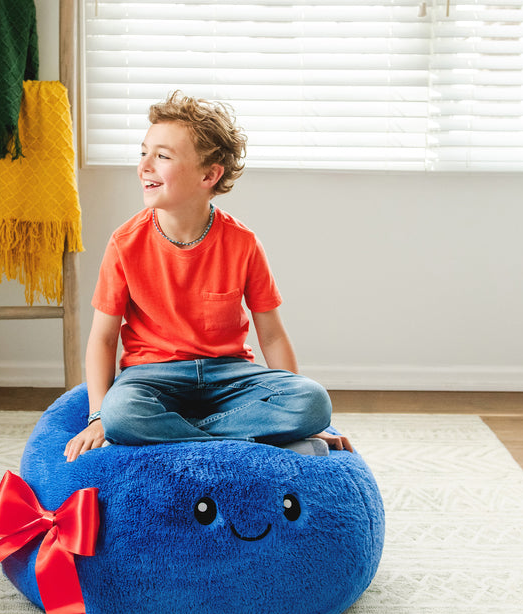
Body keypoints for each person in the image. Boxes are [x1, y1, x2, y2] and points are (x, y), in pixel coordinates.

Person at [65, 91, 351, 462]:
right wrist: (99, 416)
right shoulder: (124, 243)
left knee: (312, 401)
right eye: (143, 152)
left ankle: (183, 434)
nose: (145, 165)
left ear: (209, 175)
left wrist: (307, 421)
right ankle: (244, 438)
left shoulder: (243, 243)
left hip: (228, 375)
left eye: (162, 156)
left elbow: (272, 334)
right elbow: (103, 339)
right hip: (152, 377)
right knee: (122, 415)